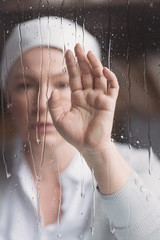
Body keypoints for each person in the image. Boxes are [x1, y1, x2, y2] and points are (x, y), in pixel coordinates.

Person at [0, 16, 160, 240]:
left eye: (63, 84)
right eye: (25, 85)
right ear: (7, 95)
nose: (43, 103)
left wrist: (99, 151)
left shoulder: (142, 170)